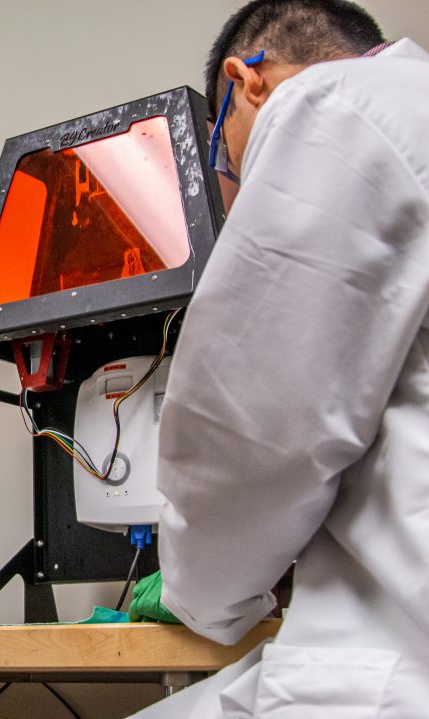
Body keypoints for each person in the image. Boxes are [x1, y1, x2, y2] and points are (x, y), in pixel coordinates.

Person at [127, 1, 429, 716]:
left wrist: (197, 593)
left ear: (248, 83)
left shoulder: (334, 104)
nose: (230, 196)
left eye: (219, 160)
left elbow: (251, 435)